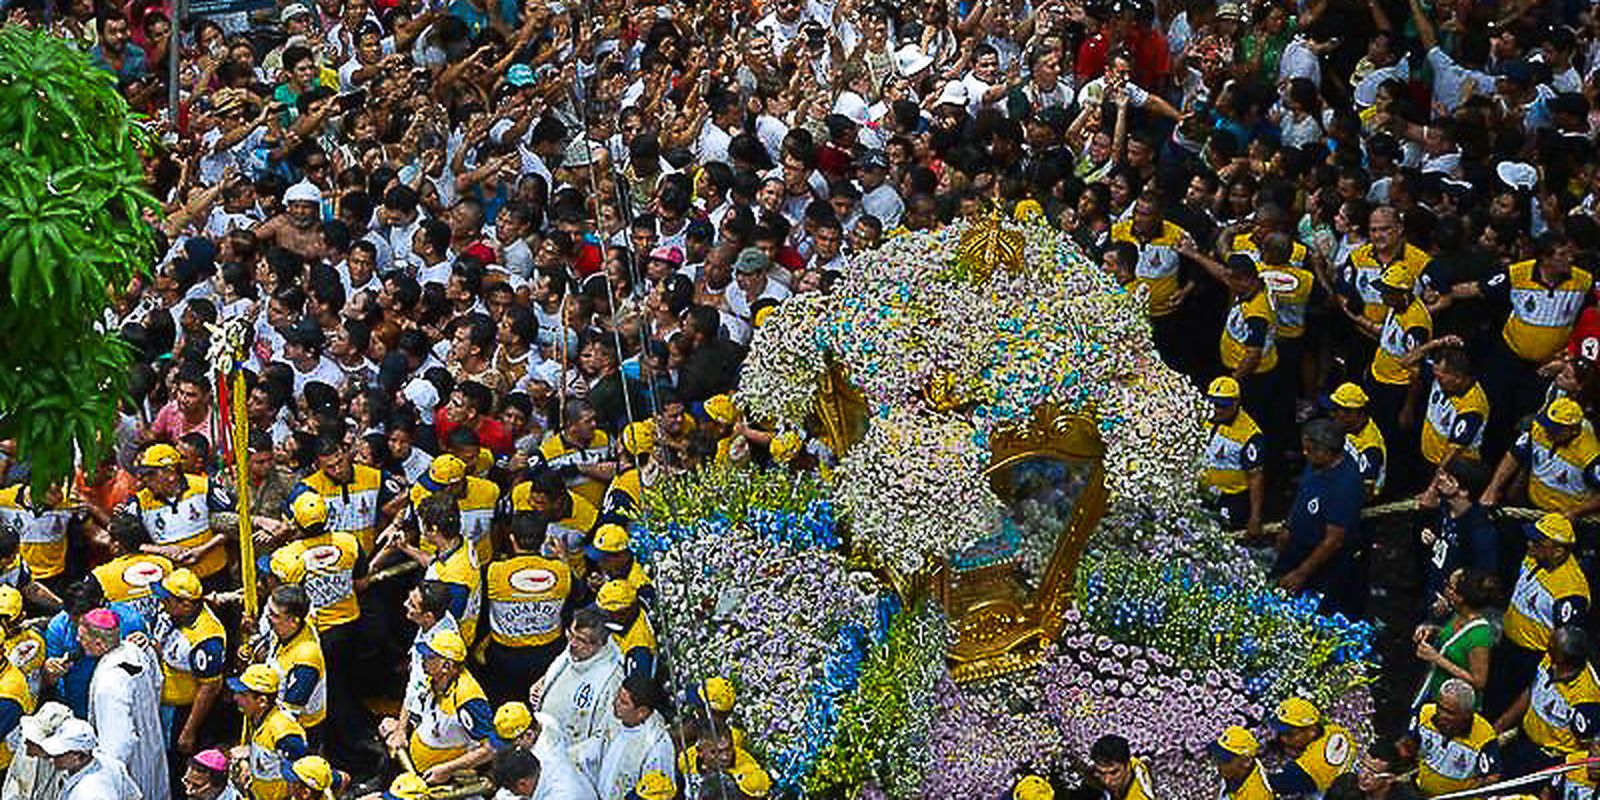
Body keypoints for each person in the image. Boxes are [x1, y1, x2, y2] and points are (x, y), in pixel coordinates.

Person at [1493, 514, 1590, 713]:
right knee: (1496, 696)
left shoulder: (1570, 591)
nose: (1530, 544)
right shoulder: (1534, 557)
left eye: (1538, 542)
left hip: (1532, 658)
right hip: (1508, 643)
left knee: (1517, 707)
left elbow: (1567, 640)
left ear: (1558, 551)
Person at [1275, 419, 1366, 617]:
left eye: (1310, 450)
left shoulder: (1345, 485)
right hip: (1298, 546)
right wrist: (1288, 525)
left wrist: (1301, 573)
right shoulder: (1315, 464)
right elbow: (1303, 494)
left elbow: (1333, 540)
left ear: (1327, 452)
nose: (1305, 454)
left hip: (1324, 563)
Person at [383, 629, 499, 784]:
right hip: (413, 764)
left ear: (446, 665)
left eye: (430, 657)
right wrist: (401, 730)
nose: (423, 659)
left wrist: (447, 770)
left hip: (441, 778)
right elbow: (411, 697)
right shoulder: (430, 676)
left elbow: (489, 749)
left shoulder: (469, 700)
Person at [484, 513, 574, 704]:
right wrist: (564, 560)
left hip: (505, 659)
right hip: (548, 656)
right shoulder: (561, 571)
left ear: (512, 538)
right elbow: (578, 596)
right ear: (543, 539)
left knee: (506, 711)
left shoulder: (495, 572)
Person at [83, 606, 169, 800]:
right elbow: (158, 682)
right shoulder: (134, 650)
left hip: (131, 766)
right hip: (150, 736)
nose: (78, 641)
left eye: (83, 638)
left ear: (99, 644)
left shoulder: (110, 682)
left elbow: (117, 745)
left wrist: (105, 784)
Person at [1495, 625, 1600, 774]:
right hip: (1523, 742)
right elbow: (1532, 691)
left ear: (1563, 658)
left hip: (1549, 763)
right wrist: (1502, 723)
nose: (1547, 644)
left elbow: (1588, 746)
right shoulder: (1550, 660)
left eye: (1552, 645)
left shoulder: (1587, 699)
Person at [151, 568, 227, 759]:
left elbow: (209, 687)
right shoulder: (172, 613)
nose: (162, 602)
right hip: (161, 701)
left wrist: (189, 730)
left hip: (181, 712)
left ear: (185, 605)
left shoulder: (207, 639)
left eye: (167, 599)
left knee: (176, 760)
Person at [1482, 397, 1600, 518]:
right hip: (1531, 503)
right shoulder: (1539, 430)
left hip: (1565, 516)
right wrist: (1493, 489)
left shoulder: (1590, 456)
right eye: (1547, 425)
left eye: (1555, 429)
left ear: (1573, 430)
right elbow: (1513, 456)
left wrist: (1577, 512)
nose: (1547, 431)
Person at [574, 672, 676, 800]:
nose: (615, 703)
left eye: (623, 702)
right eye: (617, 696)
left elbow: (657, 792)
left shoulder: (657, 746)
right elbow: (595, 748)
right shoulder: (615, 719)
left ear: (642, 712)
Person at [533, 607, 625, 748]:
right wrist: (544, 683)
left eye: (581, 640)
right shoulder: (576, 649)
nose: (573, 643)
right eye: (571, 634)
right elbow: (562, 667)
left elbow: (605, 737)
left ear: (600, 643)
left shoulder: (612, 680)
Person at [1412, 570, 1500, 710]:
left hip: (1453, 706)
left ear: (1460, 597)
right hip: (1436, 689)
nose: (1445, 588)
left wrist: (1436, 658)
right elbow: (1458, 641)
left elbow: (1479, 681)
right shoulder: (1459, 614)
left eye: (1449, 586)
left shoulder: (1480, 636)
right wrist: (1433, 629)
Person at [1399, 678, 1499, 796]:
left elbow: (1492, 777)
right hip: (1420, 792)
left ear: (1466, 714)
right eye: (1440, 707)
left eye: (1449, 712)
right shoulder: (1424, 713)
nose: (1441, 715)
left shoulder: (1484, 736)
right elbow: (1406, 746)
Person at [227, 664, 309, 800]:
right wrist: (247, 761)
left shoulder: (285, 734)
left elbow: (298, 778)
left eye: (242, 694)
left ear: (262, 701)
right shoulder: (252, 716)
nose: (235, 697)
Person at [1201, 376, 1265, 539]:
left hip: (1230, 499)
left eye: (1223, 405)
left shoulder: (1249, 434)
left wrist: (1255, 516)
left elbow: (1255, 477)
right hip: (1202, 493)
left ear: (1236, 403)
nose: (1216, 409)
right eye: (1213, 404)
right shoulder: (1203, 416)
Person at [1269, 697, 1358, 796]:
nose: (1282, 739)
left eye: (1290, 734)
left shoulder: (1308, 768)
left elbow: (1272, 784)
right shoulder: (1336, 730)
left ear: (1312, 731)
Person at [41, 718, 143, 800]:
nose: (52, 757)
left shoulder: (89, 793)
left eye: (59, 754)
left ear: (78, 756)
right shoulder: (109, 764)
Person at [1329, 384, 1387, 498]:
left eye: (1341, 410)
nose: (1336, 414)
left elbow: (1366, 491)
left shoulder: (1371, 448)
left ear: (1356, 412)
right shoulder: (1349, 427)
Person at [1208, 726, 1271, 799]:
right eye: (1217, 757)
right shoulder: (1234, 774)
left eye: (1225, 760)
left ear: (1246, 761)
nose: (1219, 765)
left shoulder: (1256, 795)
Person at [1088, 734, 1156, 799]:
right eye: (1101, 773)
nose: (1107, 781)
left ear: (1127, 766)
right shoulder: (1132, 761)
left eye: (1114, 773)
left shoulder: (1138, 797)